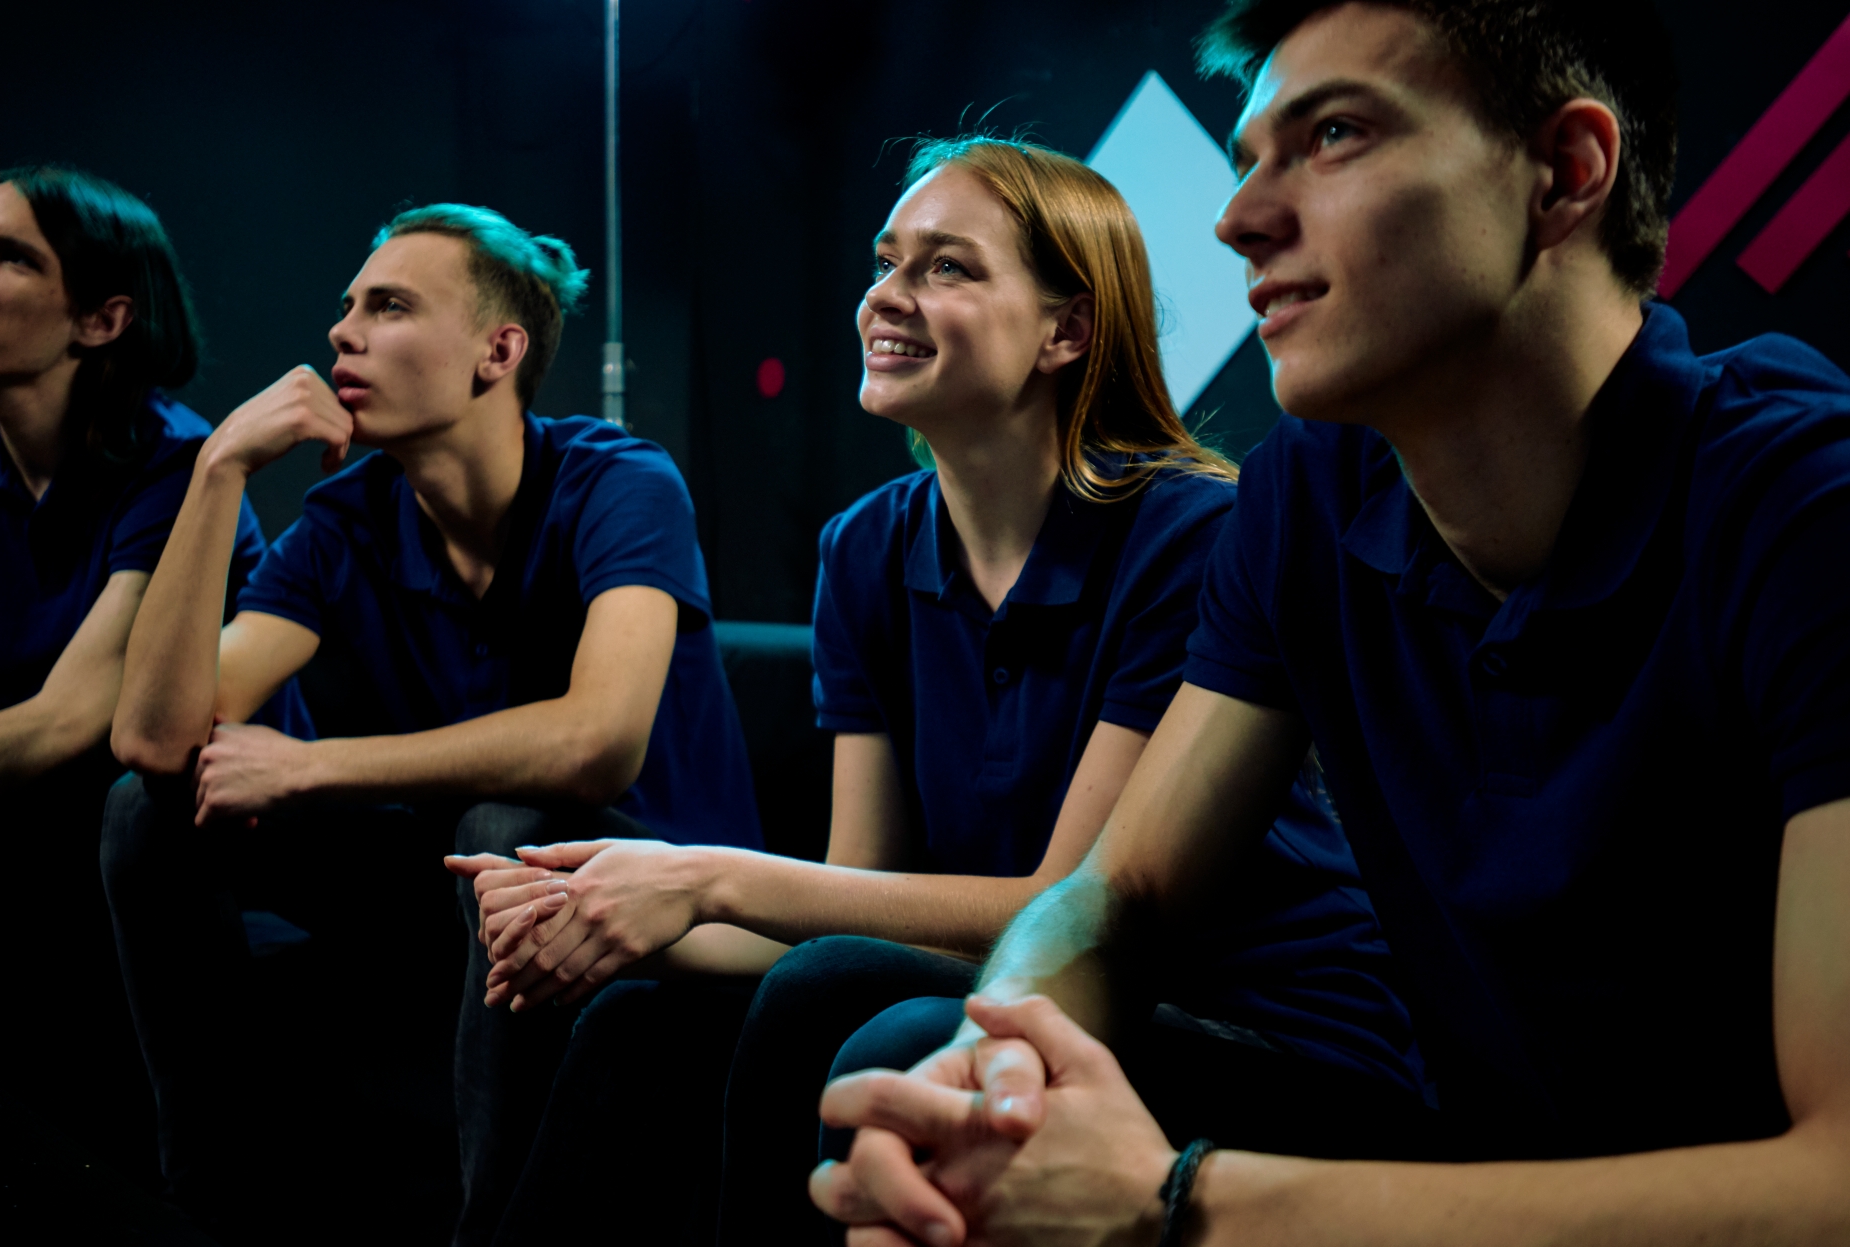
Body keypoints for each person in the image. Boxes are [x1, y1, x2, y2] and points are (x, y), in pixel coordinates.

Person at [811, 0, 1850, 1243]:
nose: (1239, 221)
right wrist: (1002, 1068)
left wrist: (1174, 1198)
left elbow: (1835, 1179)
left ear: (1563, 172)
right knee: (909, 1062)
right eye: (1248, 161)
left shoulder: (1801, 500)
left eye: (1335, 136)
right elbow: (1114, 893)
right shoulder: (1311, 488)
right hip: (1443, 1155)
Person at [457, 139, 1428, 1247]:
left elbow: (1070, 909)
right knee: (639, 1015)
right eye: (885, 260)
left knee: (842, 999)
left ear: (1064, 331)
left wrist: (702, 877)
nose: (885, 295)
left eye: (945, 267)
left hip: (1258, 1034)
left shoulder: (1191, 532)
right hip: (1015, 991)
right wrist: (595, 912)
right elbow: (859, 892)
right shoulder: (864, 549)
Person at [100, 203, 759, 1241]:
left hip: (651, 893)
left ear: (497, 352)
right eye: (346, 308)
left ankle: (487, 1237)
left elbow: (596, 743)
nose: (341, 334)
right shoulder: (346, 519)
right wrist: (217, 471)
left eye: (389, 306)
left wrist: (311, 769)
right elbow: (154, 737)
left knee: (507, 831)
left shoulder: (617, 482)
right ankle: (209, 1201)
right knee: (145, 811)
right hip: (444, 887)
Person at [0, 165, 281, 1156]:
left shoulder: (175, 464)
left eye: (8, 255)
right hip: (34, 822)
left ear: (99, 320)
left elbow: (67, 726)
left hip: (171, 835)